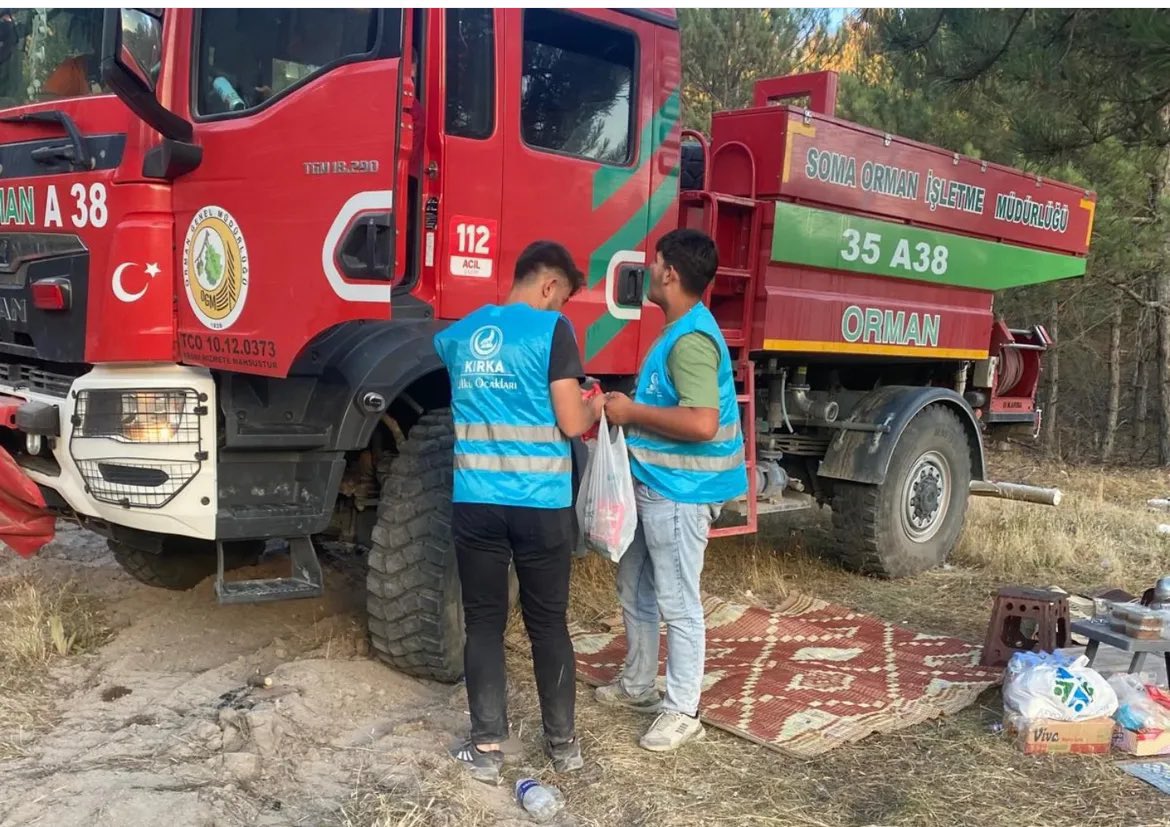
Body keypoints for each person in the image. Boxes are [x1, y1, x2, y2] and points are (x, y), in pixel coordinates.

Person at [433, 241, 605, 784]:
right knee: (547, 623)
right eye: (562, 298)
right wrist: (595, 404)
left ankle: (486, 747)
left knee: (483, 622)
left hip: (476, 502)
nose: (560, 309)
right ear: (550, 285)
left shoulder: (461, 334)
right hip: (540, 504)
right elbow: (571, 422)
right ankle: (564, 746)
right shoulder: (552, 330)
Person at [597, 228, 747, 752]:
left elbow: (703, 423)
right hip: (657, 484)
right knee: (635, 586)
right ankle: (638, 683)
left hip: (683, 491)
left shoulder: (690, 341)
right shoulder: (679, 330)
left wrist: (633, 412)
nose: (649, 268)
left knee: (678, 601)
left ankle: (683, 709)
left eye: (655, 261)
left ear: (671, 274)